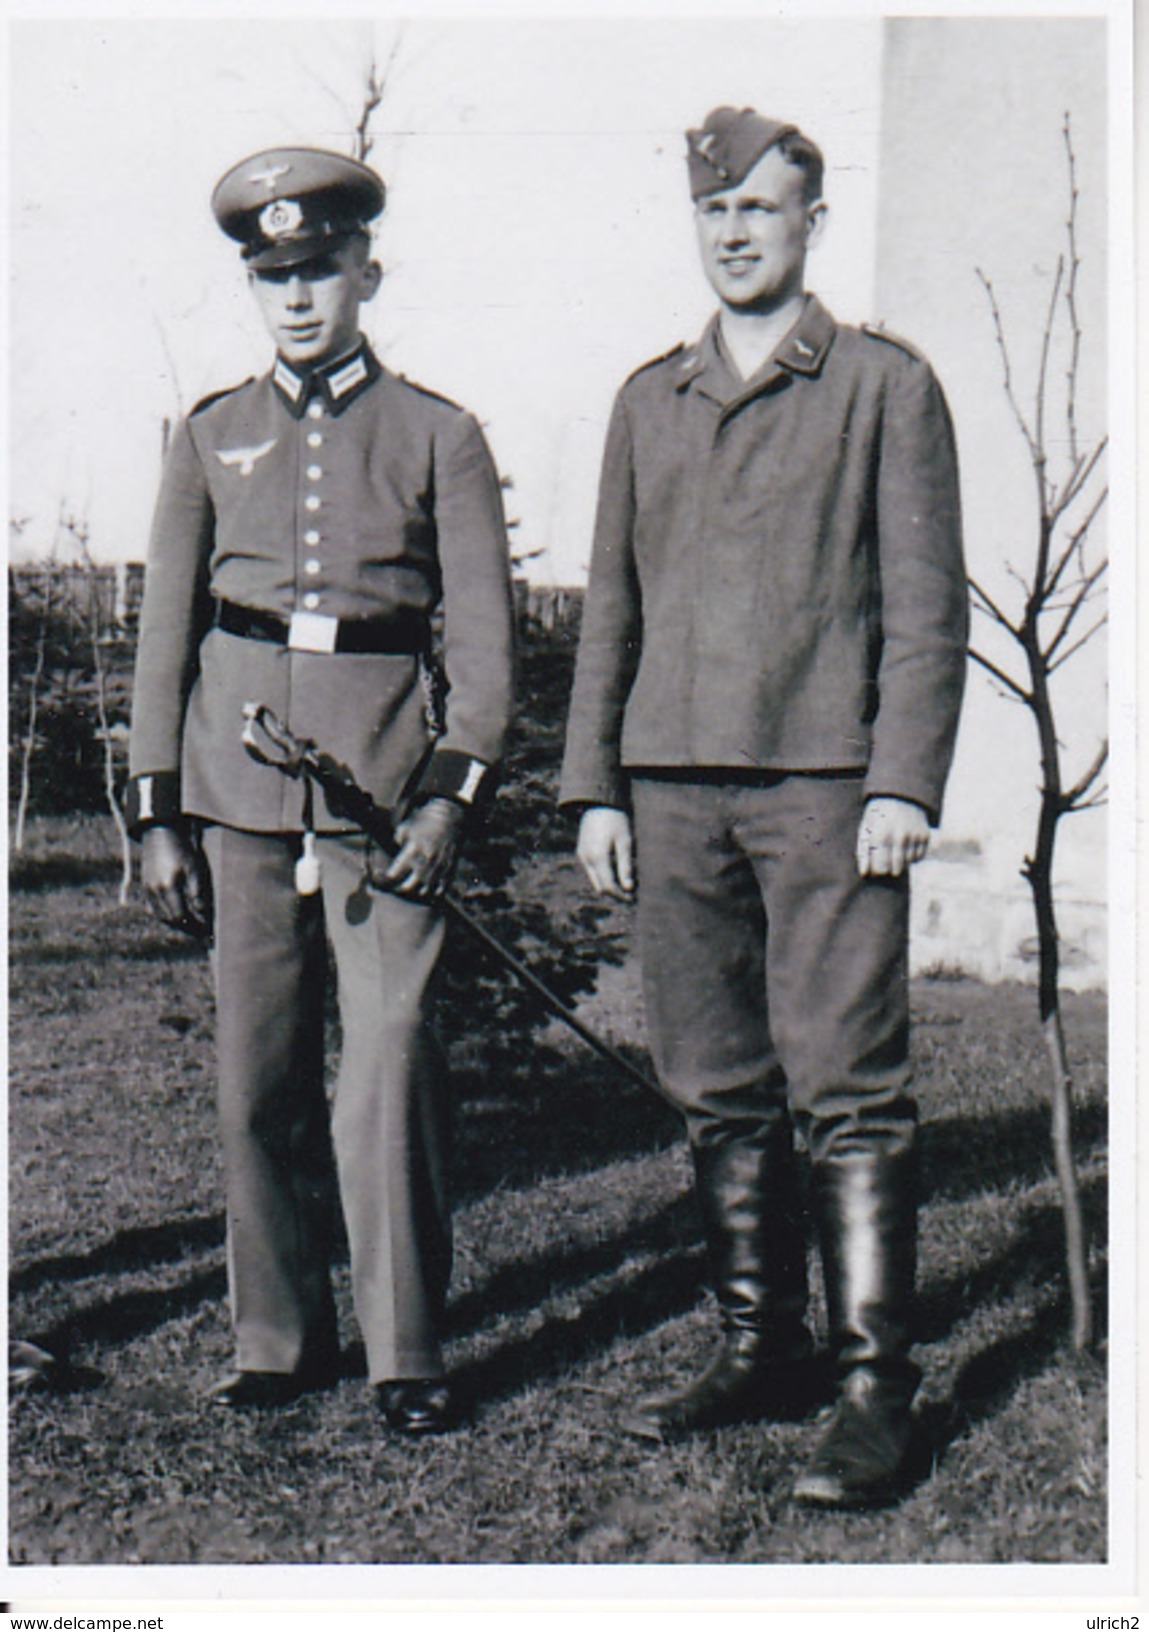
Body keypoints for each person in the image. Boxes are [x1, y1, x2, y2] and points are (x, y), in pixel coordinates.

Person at [560, 106, 967, 1507]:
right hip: (671, 791)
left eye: (762, 210)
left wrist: (902, 778)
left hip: (823, 788)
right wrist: (594, 789)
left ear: (812, 224)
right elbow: (610, 607)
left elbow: (924, 611)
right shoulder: (646, 398)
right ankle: (759, 1346)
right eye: (714, 213)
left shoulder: (878, 388)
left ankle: (872, 1390)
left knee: (847, 1088)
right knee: (718, 1086)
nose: (735, 234)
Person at [127, 147, 514, 1431]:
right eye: (270, 274)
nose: (296, 296)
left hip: (385, 798)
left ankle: (407, 1353)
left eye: (319, 270)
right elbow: (165, 636)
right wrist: (159, 808)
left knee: (389, 1067)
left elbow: (484, 650)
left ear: (367, 273)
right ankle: (277, 1338)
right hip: (237, 796)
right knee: (257, 1078)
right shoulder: (209, 435)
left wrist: (449, 798)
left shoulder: (438, 436)